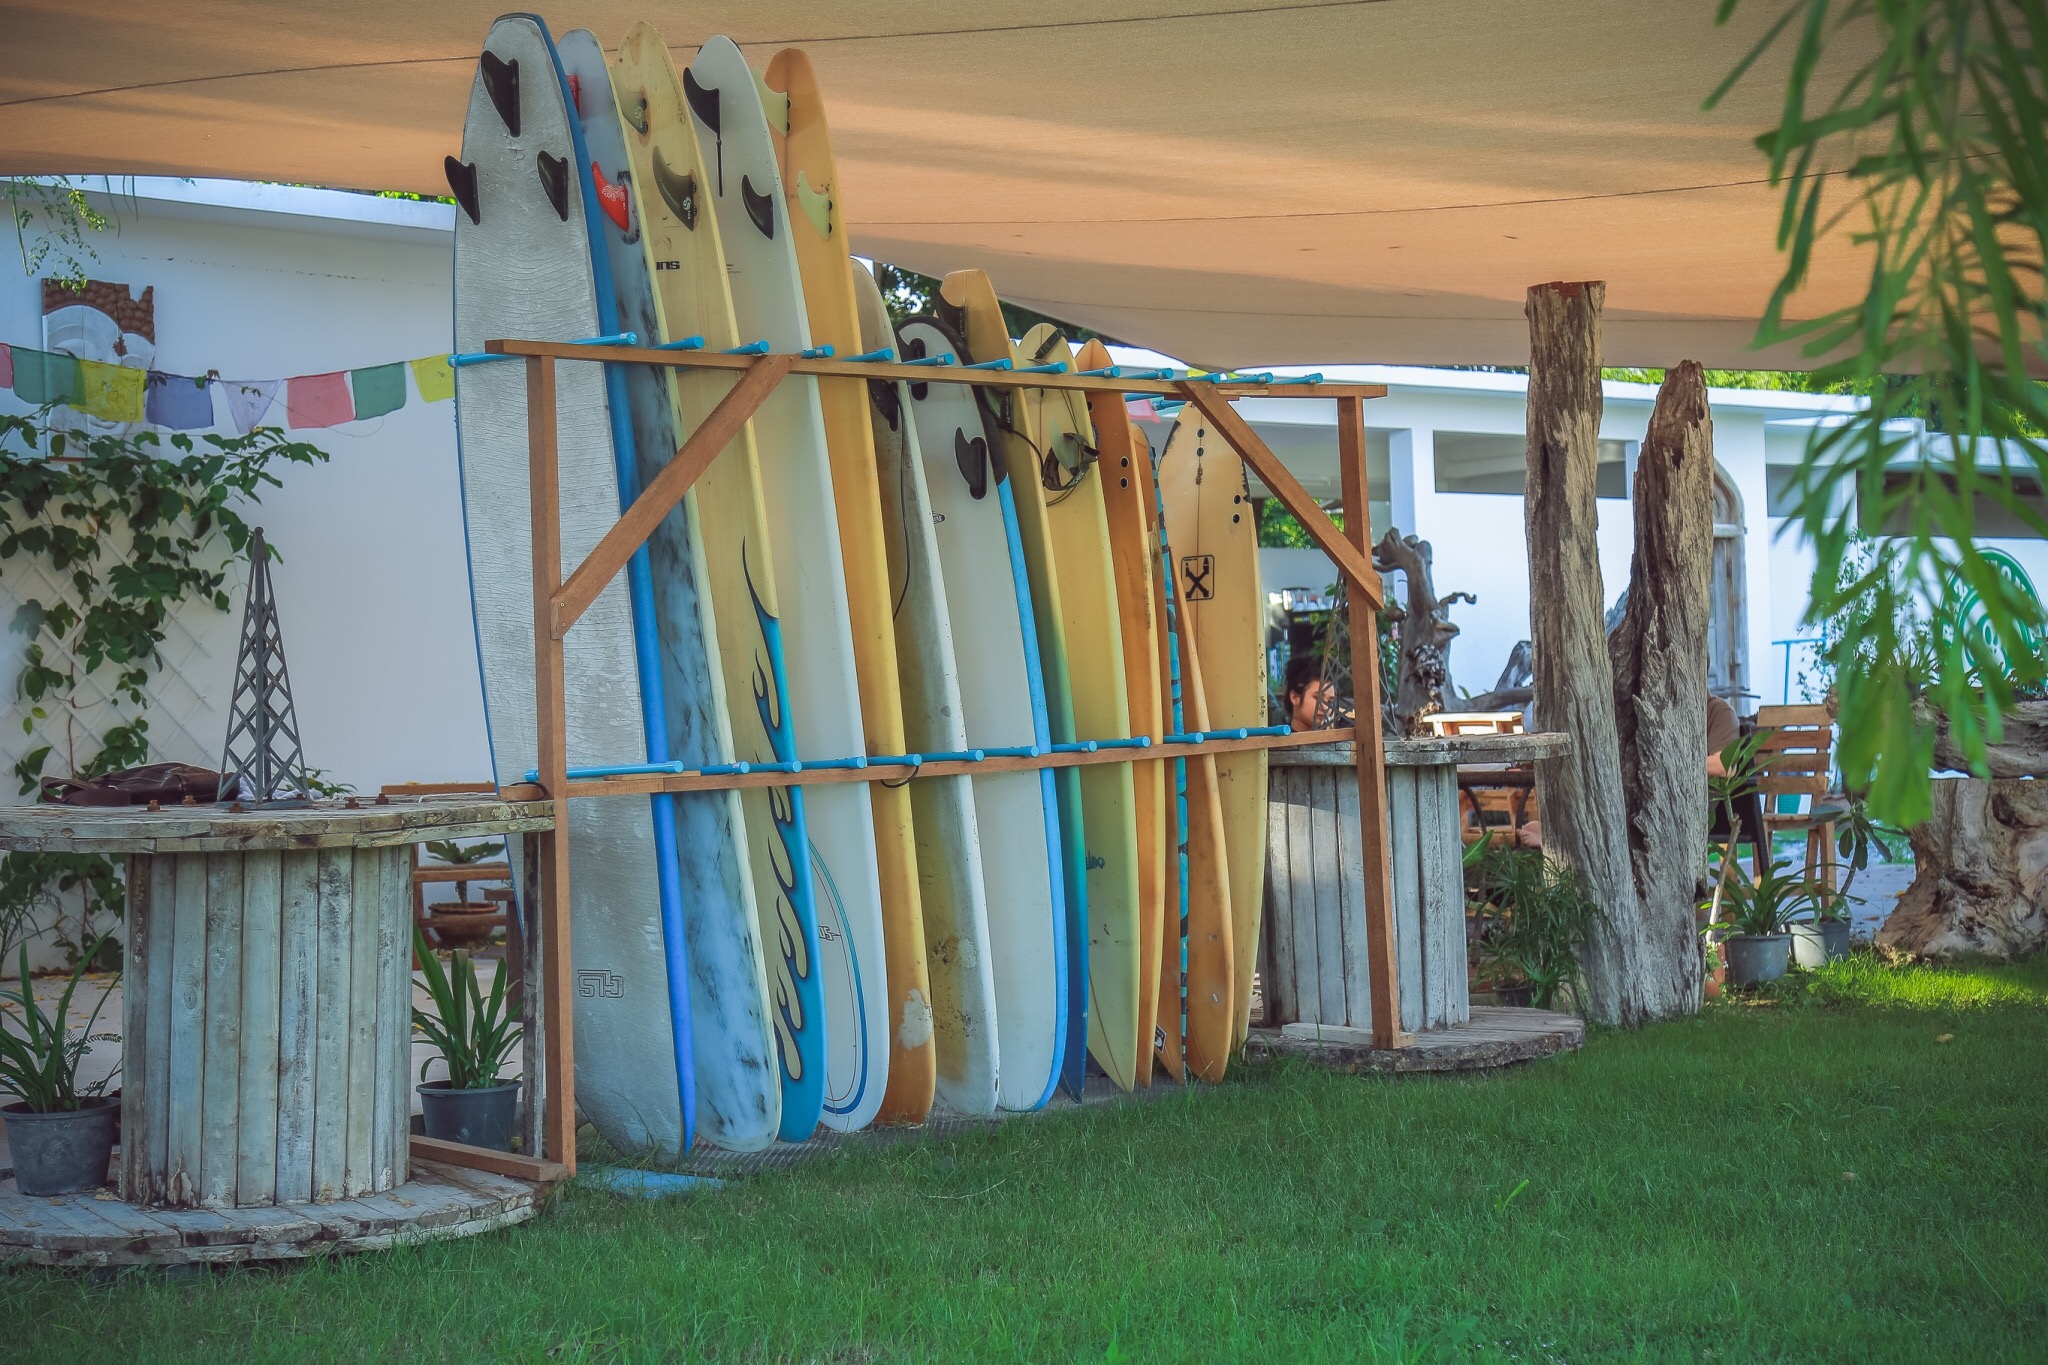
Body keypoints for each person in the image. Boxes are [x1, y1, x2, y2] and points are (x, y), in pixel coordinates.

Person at [1518, 694, 1743, 848]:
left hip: (1687, 806)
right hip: (1645, 794)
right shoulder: (1656, 709)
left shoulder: (1718, 710)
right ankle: (1561, 832)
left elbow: (1723, 765)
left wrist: (1665, 765)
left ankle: (1562, 837)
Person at [1282, 653, 1336, 732]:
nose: (1325, 707)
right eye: (1318, 698)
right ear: (1295, 697)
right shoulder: (1277, 742)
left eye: (1330, 701)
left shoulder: (1337, 740)